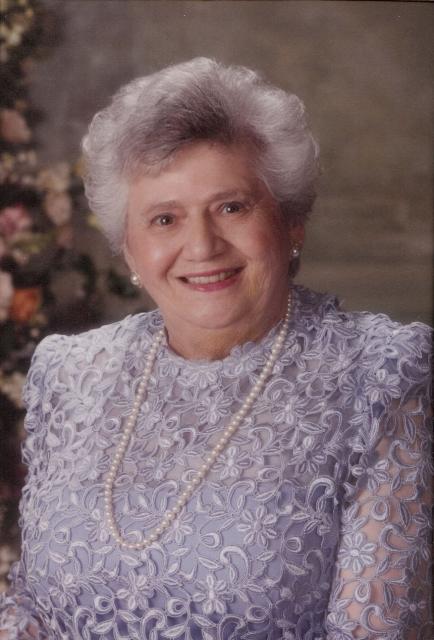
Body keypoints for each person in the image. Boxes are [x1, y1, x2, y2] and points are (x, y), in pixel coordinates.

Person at [0, 57, 431, 640]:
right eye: (164, 219)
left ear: (292, 222)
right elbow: (28, 602)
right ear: (127, 248)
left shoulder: (380, 374)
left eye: (232, 207)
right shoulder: (70, 373)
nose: (201, 245)